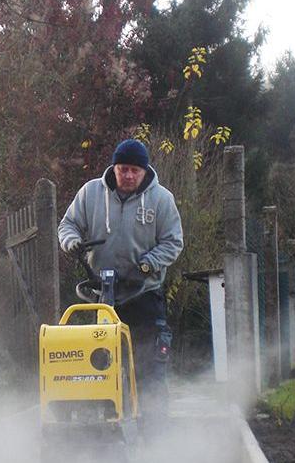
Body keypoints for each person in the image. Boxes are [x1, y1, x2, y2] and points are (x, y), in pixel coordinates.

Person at [58, 138, 183, 434]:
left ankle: (155, 436)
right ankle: (108, 428)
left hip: (144, 293)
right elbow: (67, 225)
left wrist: (147, 263)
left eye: (134, 171)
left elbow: (173, 241)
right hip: (105, 298)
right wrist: (71, 242)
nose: (128, 176)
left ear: (144, 171)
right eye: (123, 169)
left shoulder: (161, 200)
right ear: (114, 168)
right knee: (104, 366)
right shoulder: (90, 194)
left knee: (149, 368)